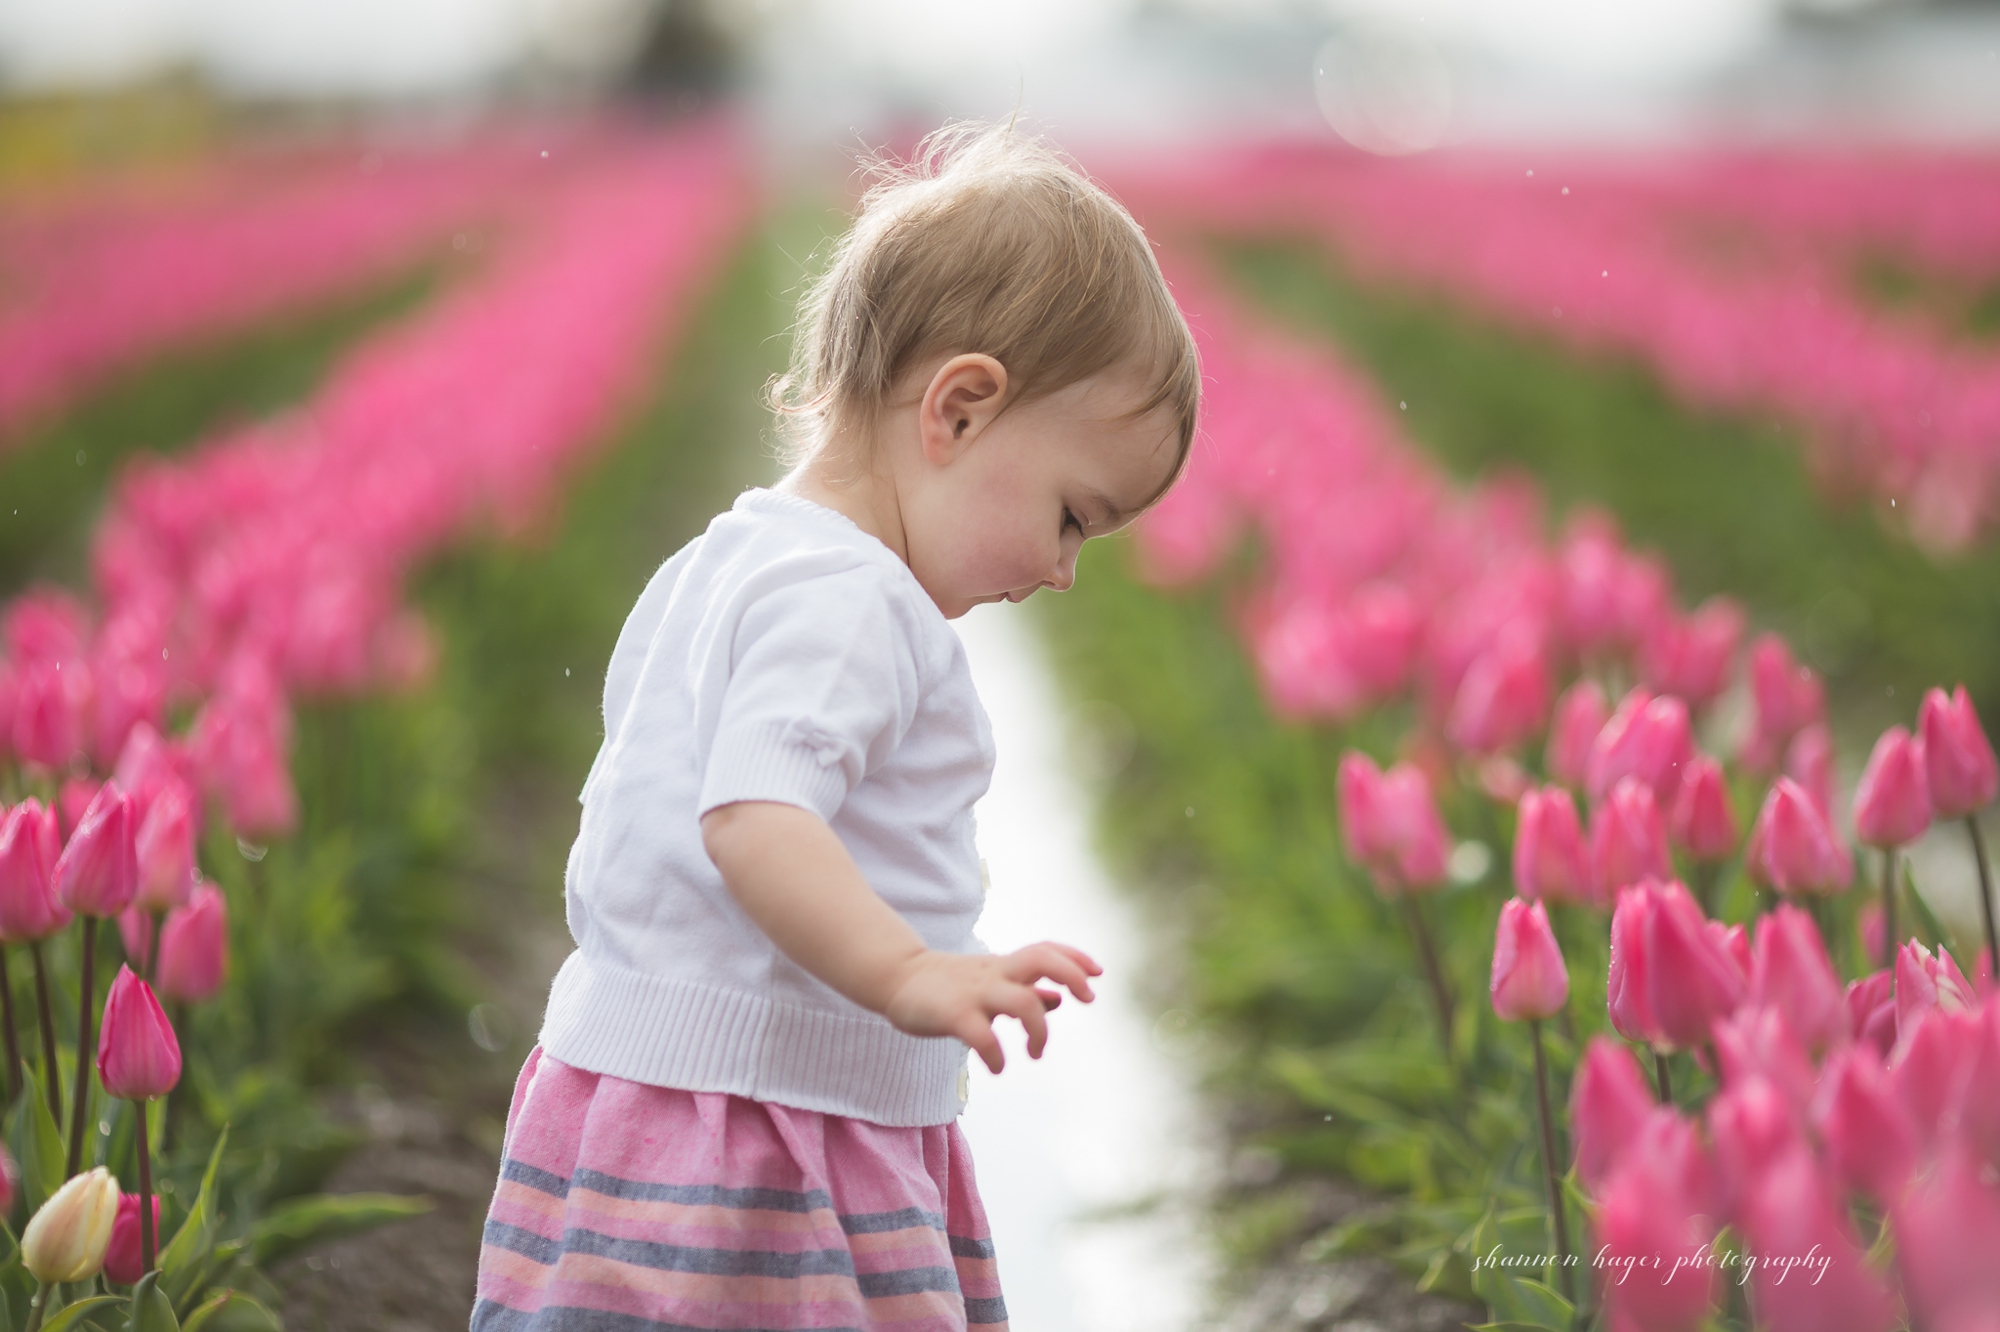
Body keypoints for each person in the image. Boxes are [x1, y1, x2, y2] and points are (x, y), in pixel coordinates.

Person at [470, 119, 1200, 1332]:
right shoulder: (853, 601)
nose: (1066, 572)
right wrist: (907, 971)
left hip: (635, 1113)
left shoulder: (732, 559)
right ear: (959, 410)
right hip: (765, 1148)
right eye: (1073, 517)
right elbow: (753, 815)